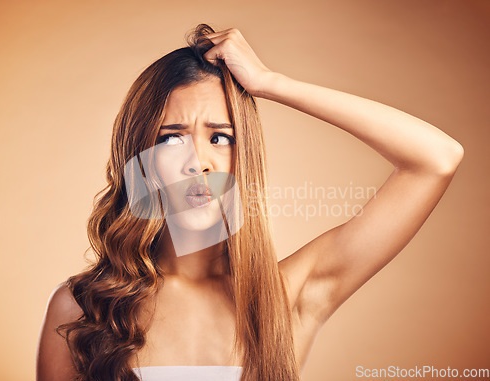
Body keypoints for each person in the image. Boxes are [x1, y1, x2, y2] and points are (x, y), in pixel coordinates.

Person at [36, 24, 464, 381]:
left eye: (220, 137)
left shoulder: (284, 298)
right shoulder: (82, 308)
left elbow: (436, 159)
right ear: (139, 159)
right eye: (172, 138)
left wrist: (270, 84)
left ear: (246, 158)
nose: (198, 162)